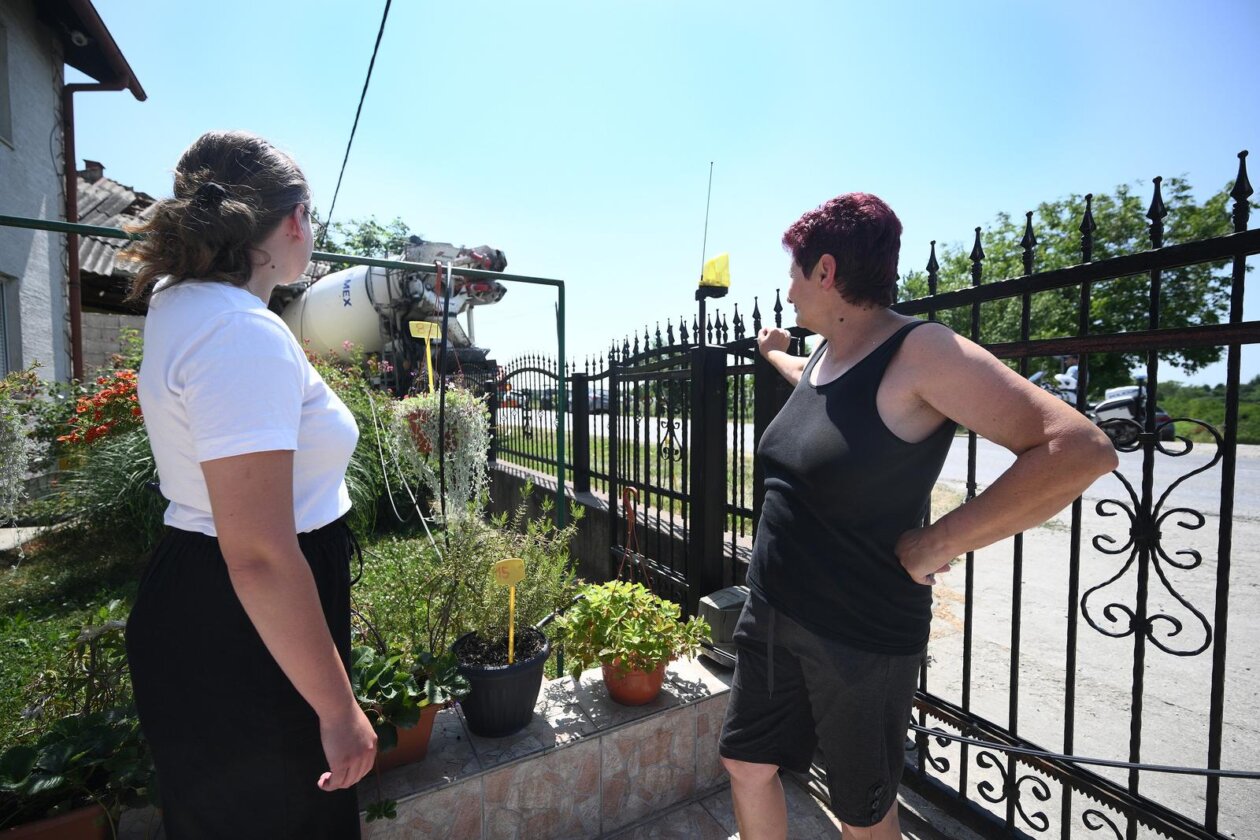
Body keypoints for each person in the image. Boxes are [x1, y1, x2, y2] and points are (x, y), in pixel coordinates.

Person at [718, 193, 1117, 839]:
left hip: (857, 634)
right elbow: (808, 381)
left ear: (824, 271)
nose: (788, 292)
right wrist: (772, 350)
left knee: (862, 812)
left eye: (792, 274)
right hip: (771, 612)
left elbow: (1079, 449)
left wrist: (936, 544)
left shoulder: (920, 351)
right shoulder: (824, 356)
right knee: (745, 761)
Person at [122, 130, 377, 839]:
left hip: (216, 603)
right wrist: (338, 710)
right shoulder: (239, 332)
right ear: (294, 218)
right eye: (312, 216)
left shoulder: (186, 305)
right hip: (247, 624)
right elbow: (260, 553)